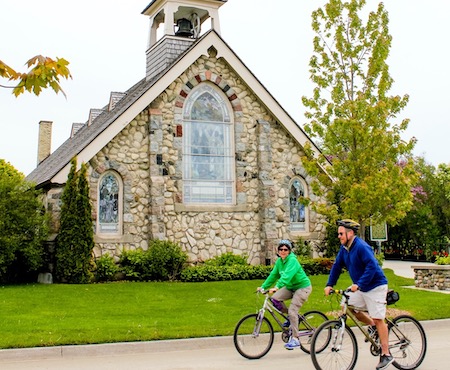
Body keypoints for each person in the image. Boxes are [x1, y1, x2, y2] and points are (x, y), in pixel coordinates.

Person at [324, 219, 393, 370]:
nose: (339, 236)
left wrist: (359, 284)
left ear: (350, 233)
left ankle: (386, 353)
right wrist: (329, 284)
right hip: (362, 287)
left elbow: (372, 266)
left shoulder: (361, 247)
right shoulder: (344, 249)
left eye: (341, 234)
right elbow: (336, 267)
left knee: (378, 317)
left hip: (376, 286)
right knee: (348, 305)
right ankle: (372, 326)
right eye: (338, 234)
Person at [258, 239, 312, 350]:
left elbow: (286, 276)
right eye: (281, 249)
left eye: (285, 249)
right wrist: (263, 287)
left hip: (302, 287)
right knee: (275, 299)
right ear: (278, 251)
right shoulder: (279, 262)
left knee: (293, 310)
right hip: (291, 287)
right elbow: (273, 275)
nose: (283, 251)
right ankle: (291, 318)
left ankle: (296, 339)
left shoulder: (292, 261)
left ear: (289, 251)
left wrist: (277, 287)